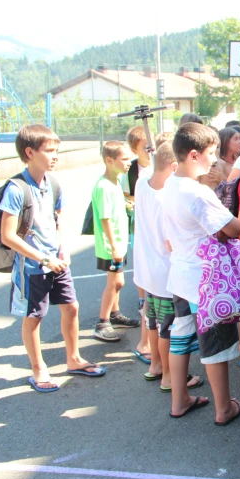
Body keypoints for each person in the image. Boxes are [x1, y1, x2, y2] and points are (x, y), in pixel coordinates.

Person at [0, 125, 105, 392]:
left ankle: (74, 359)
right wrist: (44, 259)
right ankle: (38, 369)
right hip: (32, 266)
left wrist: (63, 250)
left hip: (56, 262)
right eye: (49, 151)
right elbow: (8, 236)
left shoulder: (53, 183)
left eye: (57, 150)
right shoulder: (16, 189)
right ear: (30, 152)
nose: (55, 155)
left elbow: (58, 220)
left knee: (71, 307)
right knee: (34, 317)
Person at [162, 123, 240, 424]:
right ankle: (224, 408)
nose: (215, 160)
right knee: (215, 344)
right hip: (206, 281)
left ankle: (179, 398)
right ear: (194, 155)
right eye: (211, 153)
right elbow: (234, 228)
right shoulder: (197, 193)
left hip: (180, 275)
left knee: (181, 335)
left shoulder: (170, 183)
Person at [132, 142, 187, 391]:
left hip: (145, 272)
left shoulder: (141, 184)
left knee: (152, 323)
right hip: (165, 274)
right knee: (168, 329)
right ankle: (168, 376)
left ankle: (155, 365)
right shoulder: (167, 199)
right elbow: (170, 242)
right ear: (174, 167)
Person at [92, 141, 140, 342]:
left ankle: (115, 314)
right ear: (109, 160)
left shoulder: (115, 182)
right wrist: (113, 247)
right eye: (125, 159)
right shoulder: (103, 186)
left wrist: (127, 206)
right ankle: (102, 322)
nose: (129, 163)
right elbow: (104, 219)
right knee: (116, 282)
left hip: (118, 243)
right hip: (111, 246)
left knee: (115, 282)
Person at [121, 125, 155, 362]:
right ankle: (145, 344)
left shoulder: (156, 167)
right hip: (142, 232)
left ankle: (149, 343)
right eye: (145, 146)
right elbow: (126, 196)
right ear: (135, 148)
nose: (150, 149)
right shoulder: (132, 171)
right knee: (149, 295)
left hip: (152, 233)